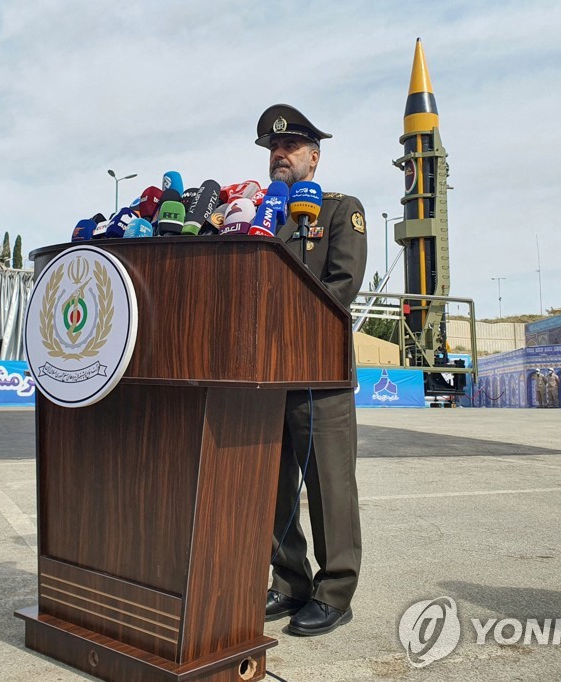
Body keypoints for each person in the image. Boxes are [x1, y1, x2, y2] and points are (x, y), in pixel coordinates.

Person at [257, 104, 367, 636]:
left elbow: (342, 288)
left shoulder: (340, 211)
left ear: (313, 158)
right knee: (273, 486)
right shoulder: (261, 216)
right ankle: (290, 580)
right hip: (264, 376)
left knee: (328, 484)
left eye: (291, 148)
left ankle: (335, 591)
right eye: (274, 149)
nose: (279, 154)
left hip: (318, 372)